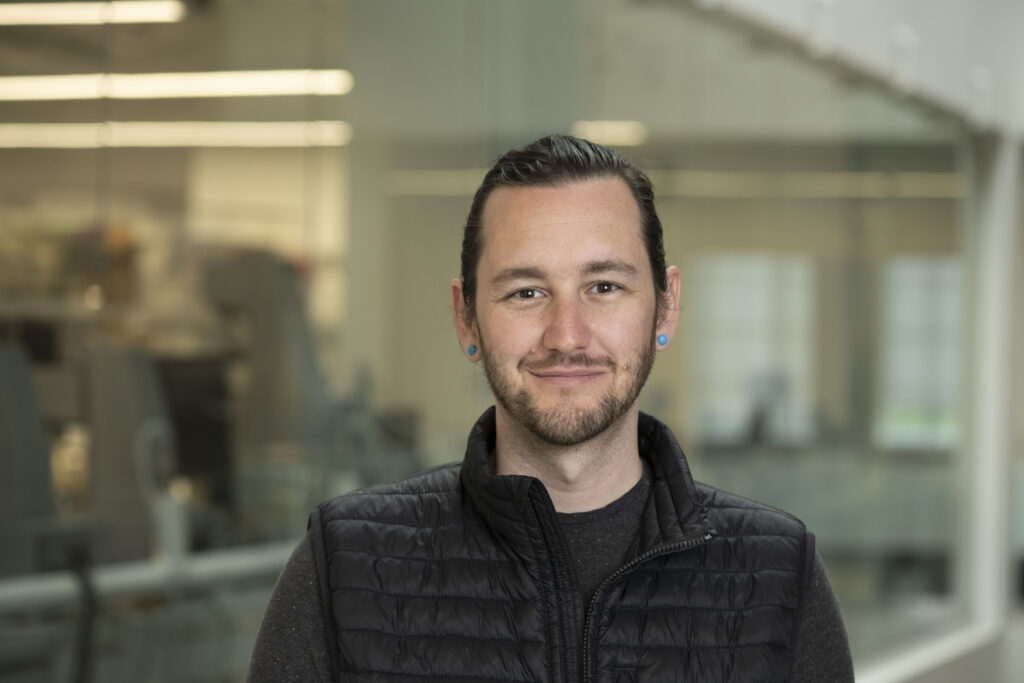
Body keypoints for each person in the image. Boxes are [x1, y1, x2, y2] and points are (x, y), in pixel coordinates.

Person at [248, 135, 854, 682]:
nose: (567, 335)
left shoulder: (779, 574)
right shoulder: (344, 565)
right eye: (527, 292)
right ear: (466, 318)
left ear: (666, 308)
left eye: (604, 287)